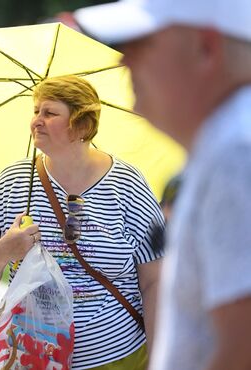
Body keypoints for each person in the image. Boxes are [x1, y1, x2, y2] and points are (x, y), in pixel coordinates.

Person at [74, 1, 251, 369]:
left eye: (139, 43)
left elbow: (241, 350)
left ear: (205, 49)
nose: (122, 61)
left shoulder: (235, 157)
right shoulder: (228, 144)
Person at [0, 75, 164, 369]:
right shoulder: (13, 182)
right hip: (32, 358)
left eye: (49, 113)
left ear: (81, 125)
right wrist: (4, 250)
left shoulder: (128, 185)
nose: (36, 121)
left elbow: (155, 280)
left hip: (117, 358)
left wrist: (162, 358)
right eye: (35, 111)